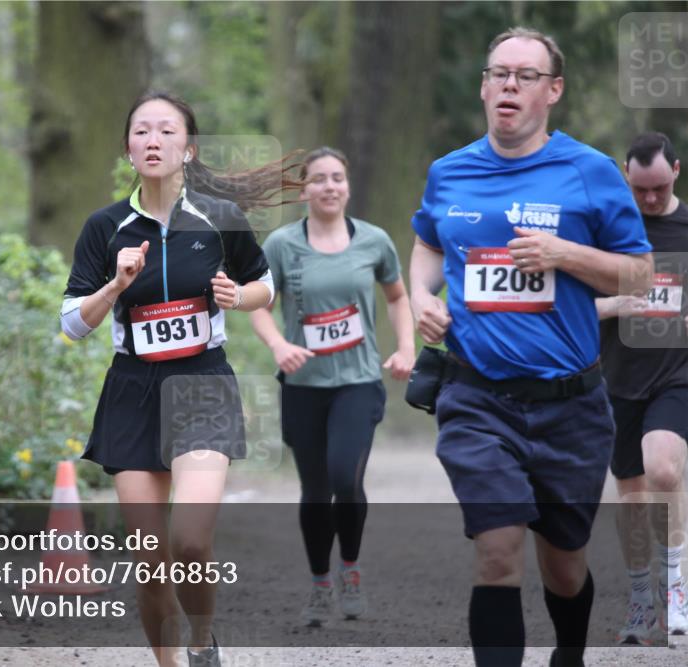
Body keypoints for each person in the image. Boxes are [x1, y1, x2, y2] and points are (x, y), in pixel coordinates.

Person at [408, 27, 653, 667]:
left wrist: (564, 253)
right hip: (476, 396)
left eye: (525, 75)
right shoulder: (449, 172)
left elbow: (642, 274)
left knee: (565, 566)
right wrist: (419, 296)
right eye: (499, 74)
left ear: (553, 90)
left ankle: (568, 653)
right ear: (485, 86)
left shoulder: (590, 173)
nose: (509, 85)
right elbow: (429, 242)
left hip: (570, 404)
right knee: (496, 551)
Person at [60, 91, 300, 667]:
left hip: (202, 384)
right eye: (141, 131)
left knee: (191, 545)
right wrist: (114, 287)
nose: (153, 141)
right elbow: (71, 323)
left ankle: (201, 643)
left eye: (167, 132)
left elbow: (267, 285)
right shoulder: (106, 227)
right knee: (149, 559)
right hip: (132, 389)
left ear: (188, 150)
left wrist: (239, 296)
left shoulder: (219, 219)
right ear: (127, 148)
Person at [248, 147, 415, 626]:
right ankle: (321, 584)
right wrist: (279, 345)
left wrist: (407, 349)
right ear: (303, 190)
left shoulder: (374, 241)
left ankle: (350, 570)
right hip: (303, 385)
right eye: (318, 179)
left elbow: (398, 297)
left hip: (358, 383)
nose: (329, 186)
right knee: (316, 490)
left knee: (346, 478)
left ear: (348, 185)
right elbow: (257, 303)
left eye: (337, 177)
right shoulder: (281, 245)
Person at [598, 132, 688, 643]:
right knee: (631, 496)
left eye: (657, 188)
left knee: (664, 468)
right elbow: (570, 306)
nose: (649, 200)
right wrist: (614, 305)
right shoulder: (608, 232)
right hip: (619, 378)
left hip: (677, 375)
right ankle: (639, 598)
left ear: (676, 170)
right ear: (626, 181)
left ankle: (675, 589)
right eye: (639, 191)